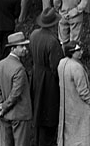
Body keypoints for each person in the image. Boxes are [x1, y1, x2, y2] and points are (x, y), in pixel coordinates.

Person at [29, 8, 63, 146]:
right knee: (49, 112)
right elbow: (56, 67)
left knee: (37, 108)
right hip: (48, 80)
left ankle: (37, 140)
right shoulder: (52, 41)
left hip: (36, 74)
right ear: (54, 24)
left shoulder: (34, 34)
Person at [0, 31, 33, 146]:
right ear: (13, 48)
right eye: (22, 46)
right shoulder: (19, 68)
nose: (25, 49)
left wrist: (0, 105)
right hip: (20, 114)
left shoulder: (1, 64)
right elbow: (15, 94)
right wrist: (4, 106)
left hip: (4, 114)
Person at [57, 41, 90, 146]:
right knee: (82, 135)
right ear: (71, 52)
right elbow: (83, 91)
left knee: (69, 134)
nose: (81, 52)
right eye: (78, 50)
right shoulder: (77, 67)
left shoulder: (62, 63)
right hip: (79, 107)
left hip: (67, 105)